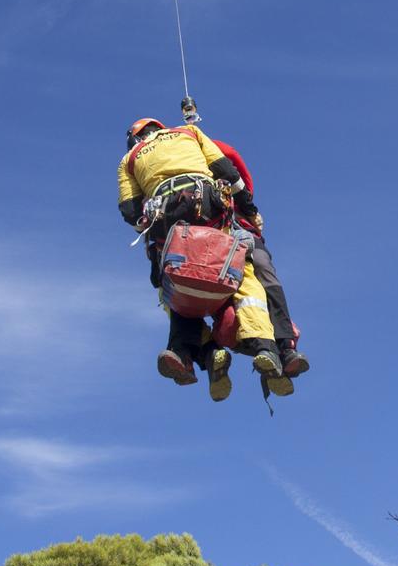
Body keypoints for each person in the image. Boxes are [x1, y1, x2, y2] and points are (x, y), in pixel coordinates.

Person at [117, 117, 285, 396]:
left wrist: (147, 220)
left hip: (164, 216)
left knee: (174, 281)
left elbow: (129, 209)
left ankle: (202, 352)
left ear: (136, 137)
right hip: (206, 201)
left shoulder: (129, 158)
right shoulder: (189, 131)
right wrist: (249, 209)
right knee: (235, 265)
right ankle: (265, 346)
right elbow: (225, 170)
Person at [199, 121, 309, 385]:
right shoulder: (192, 186)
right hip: (212, 240)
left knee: (264, 273)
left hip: (241, 236)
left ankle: (284, 347)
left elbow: (241, 186)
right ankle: (212, 355)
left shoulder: (228, 177)